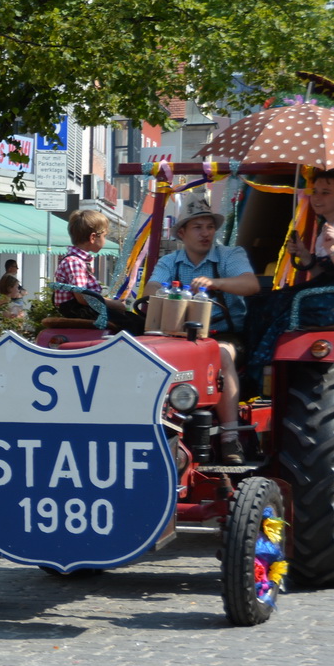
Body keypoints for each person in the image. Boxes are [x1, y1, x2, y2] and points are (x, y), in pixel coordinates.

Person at [149, 191, 260, 464]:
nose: (206, 233)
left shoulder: (229, 255)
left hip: (226, 336)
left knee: (219, 353)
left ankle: (230, 437)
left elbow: (251, 285)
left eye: (210, 227)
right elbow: (151, 289)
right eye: (198, 227)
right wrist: (167, 292)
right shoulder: (169, 262)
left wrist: (216, 283)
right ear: (182, 233)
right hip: (178, 339)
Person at [243, 169, 334, 378]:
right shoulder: (329, 223)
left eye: (326, 192)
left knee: (280, 306)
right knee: (261, 302)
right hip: (333, 292)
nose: (317, 198)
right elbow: (324, 275)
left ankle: (264, 370)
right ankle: (255, 369)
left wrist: (332, 248)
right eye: (315, 191)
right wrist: (304, 255)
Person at [54, 209, 142, 331]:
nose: (105, 240)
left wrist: (113, 302)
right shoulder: (75, 262)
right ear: (93, 237)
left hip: (83, 308)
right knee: (135, 325)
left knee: (134, 319)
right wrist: (113, 304)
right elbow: (83, 298)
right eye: (104, 236)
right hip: (79, 310)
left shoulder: (78, 260)